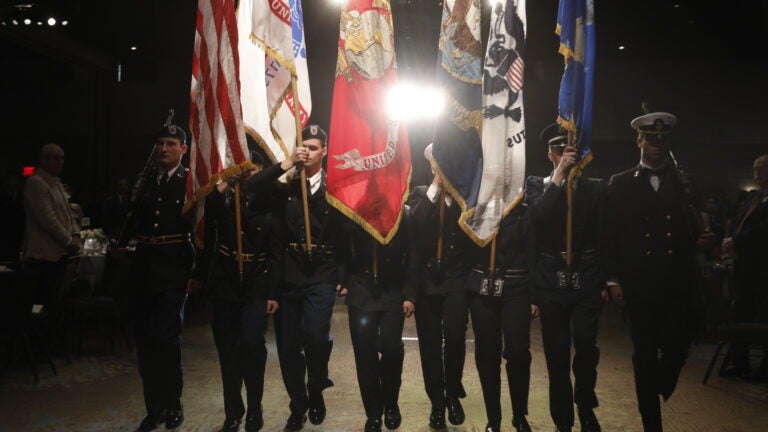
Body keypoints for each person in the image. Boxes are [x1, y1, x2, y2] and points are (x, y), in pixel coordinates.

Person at [192, 144, 307, 432]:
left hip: (257, 282)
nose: (248, 178)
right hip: (226, 282)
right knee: (227, 350)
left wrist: (272, 293)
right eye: (243, 173)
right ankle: (234, 411)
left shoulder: (271, 202)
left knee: (251, 344)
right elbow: (211, 207)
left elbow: (277, 254)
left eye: (253, 172)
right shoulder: (226, 202)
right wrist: (229, 177)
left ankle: (255, 407)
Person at [604, 111, 707, 432]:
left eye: (663, 140)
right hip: (640, 283)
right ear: (639, 141)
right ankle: (652, 424)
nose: (657, 146)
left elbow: (692, 228)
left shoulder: (684, 181)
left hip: (677, 281)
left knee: (678, 346)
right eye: (651, 139)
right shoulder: (620, 184)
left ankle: (662, 381)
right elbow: (611, 235)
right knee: (645, 354)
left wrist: (703, 237)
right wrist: (612, 278)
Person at [524, 124, 605, 432]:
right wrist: (558, 178)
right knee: (556, 353)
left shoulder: (595, 188)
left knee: (586, 345)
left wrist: (605, 279)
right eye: (560, 151)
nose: (566, 155)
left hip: (584, 275)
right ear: (550, 155)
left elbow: (602, 235)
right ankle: (563, 419)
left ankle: (585, 403)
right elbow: (539, 218)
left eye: (571, 149)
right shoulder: (536, 185)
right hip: (549, 277)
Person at [267, 125, 345, 431]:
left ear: (324, 151)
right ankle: (297, 404)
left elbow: (345, 235)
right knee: (287, 347)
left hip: (322, 272)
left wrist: (342, 273)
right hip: (289, 273)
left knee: (314, 336)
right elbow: (255, 186)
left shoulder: (336, 186)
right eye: (303, 147)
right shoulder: (286, 186)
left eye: (313, 147)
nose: (307, 152)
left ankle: (316, 384)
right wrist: (286, 163)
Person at [125, 121, 196, 432]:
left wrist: (195, 273)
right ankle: (153, 408)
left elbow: (201, 230)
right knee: (145, 344)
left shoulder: (189, 182)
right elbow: (131, 219)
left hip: (173, 270)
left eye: (170, 143)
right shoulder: (145, 182)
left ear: (183, 149)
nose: (164, 149)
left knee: (166, 341)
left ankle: (172, 402)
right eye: (160, 143)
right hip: (143, 269)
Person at [407, 144, 473, 430]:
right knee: (431, 346)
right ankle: (437, 402)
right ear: (432, 167)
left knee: (456, 336)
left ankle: (452, 391)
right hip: (426, 282)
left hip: (456, 278)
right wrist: (435, 187)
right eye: (437, 166)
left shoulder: (463, 197)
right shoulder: (421, 194)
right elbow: (417, 224)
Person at [337, 210, 417, 432]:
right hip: (361, 288)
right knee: (364, 354)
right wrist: (342, 280)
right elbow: (342, 247)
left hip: (391, 288)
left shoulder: (402, 213)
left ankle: (391, 403)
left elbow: (412, 255)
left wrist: (410, 294)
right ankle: (373, 412)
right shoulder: (353, 211)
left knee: (391, 347)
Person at [467, 205, 537, 432]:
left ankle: (519, 414)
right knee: (487, 355)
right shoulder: (477, 208)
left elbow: (533, 252)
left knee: (518, 352)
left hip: (516, 287)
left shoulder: (525, 212)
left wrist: (534, 296)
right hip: (482, 287)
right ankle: (493, 418)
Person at [719, 154, 768, 381]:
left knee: (764, 314)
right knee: (740, 311)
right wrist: (729, 239)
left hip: (763, 265)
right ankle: (740, 361)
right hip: (744, 264)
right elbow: (737, 222)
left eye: (762, 169)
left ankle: (765, 368)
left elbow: (763, 230)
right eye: (755, 169)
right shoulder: (753, 197)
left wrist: (736, 241)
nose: (757, 174)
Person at [22, 143, 81, 307]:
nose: (60, 162)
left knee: (55, 302)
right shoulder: (36, 183)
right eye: (55, 158)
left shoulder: (56, 182)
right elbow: (48, 220)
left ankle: (49, 330)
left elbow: (69, 215)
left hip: (59, 254)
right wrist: (70, 242)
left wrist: (76, 234)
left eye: (62, 158)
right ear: (43, 160)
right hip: (44, 256)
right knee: (41, 303)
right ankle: (36, 330)